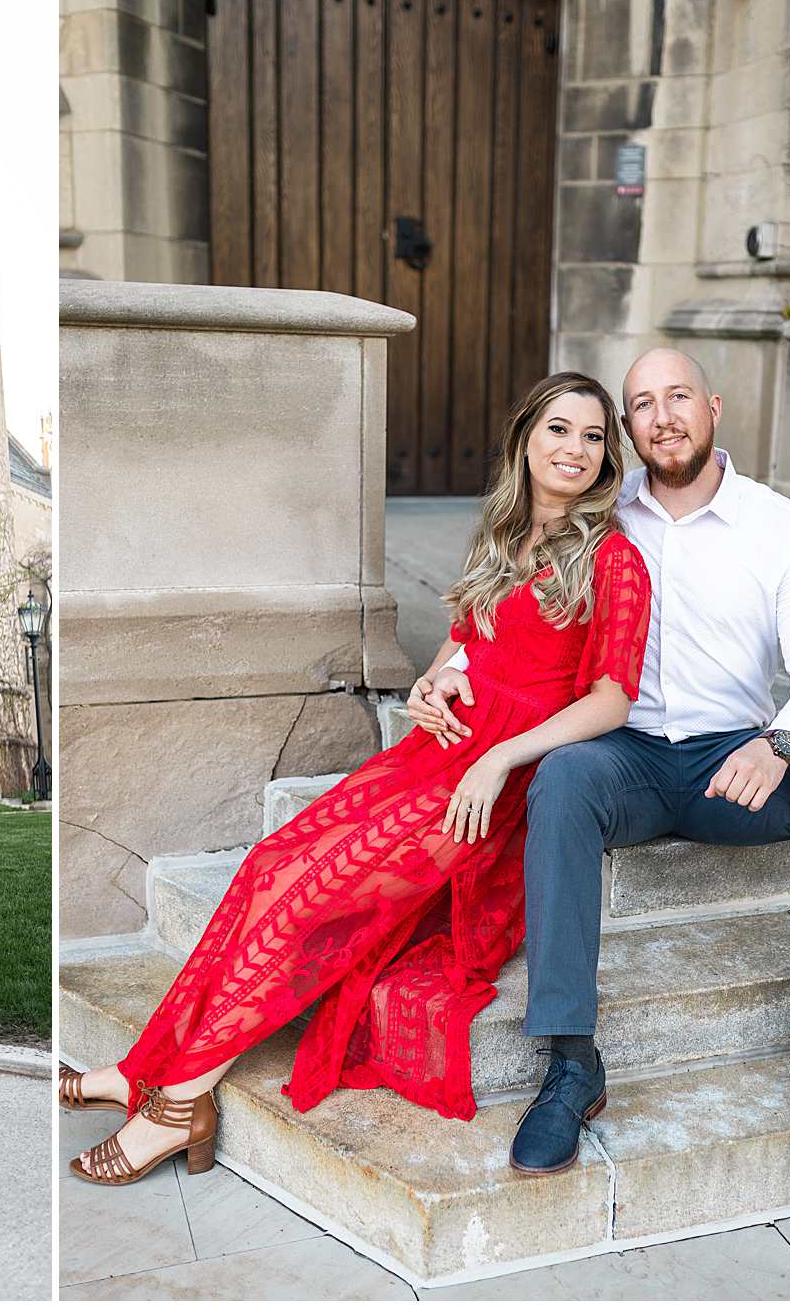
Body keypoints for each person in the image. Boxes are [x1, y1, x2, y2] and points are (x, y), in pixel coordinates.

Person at [63, 373, 654, 1186]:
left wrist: (498, 757)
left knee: (312, 897)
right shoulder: (502, 535)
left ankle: (179, 1099)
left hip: (504, 783)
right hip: (435, 754)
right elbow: (463, 645)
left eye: (593, 437)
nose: (575, 449)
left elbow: (611, 701)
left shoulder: (614, 558)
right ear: (525, 438)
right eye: (559, 428)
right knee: (272, 867)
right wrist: (430, 684)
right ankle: (144, 1073)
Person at [425, 347, 790, 1176]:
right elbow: (502, 595)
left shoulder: (779, 527)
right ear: (627, 429)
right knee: (564, 776)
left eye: (677, 398)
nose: (662, 416)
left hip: (733, 760)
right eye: (642, 404)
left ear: (713, 407)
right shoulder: (600, 513)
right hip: (618, 754)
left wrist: (780, 742)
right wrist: (449, 666)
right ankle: (570, 1057)